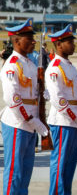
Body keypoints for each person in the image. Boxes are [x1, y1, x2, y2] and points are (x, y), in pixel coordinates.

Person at [0, 18, 48, 195]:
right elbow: (13, 99)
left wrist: (44, 93)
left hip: (30, 124)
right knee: (15, 172)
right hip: (17, 123)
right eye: (29, 38)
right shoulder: (12, 65)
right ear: (17, 40)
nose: (34, 41)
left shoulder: (29, 64)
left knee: (26, 172)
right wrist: (30, 119)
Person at [45, 24, 77, 195]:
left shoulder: (69, 65)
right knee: (61, 164)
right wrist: (76, 117)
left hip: (73, 121)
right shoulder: (55, 67)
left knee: (70, 165)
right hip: (63, 121)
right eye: (69, 42)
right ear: (59, 44)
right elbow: (57, 99)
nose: (73, 45)